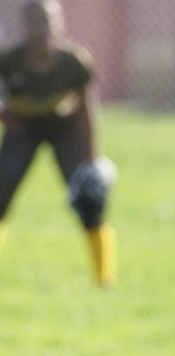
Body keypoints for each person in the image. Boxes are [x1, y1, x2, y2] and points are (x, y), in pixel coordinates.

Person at [0, 0, 116, 286]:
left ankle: (104, 277)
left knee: (89, 200)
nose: (41, 28)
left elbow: (87, 111)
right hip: (23, 127)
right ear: (24, 26)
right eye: (34, 22)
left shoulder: (73, 62)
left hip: (64, 127)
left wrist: (90, 161)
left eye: (47, 20)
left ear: (59, 24)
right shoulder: (10, 60)